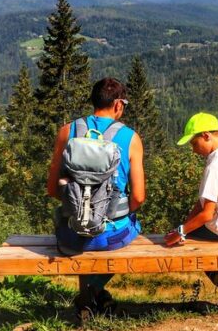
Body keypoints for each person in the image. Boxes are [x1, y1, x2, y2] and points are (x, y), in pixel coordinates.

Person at [46, 77, 145, 318]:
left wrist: (79, 207)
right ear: (118, 105)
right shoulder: (130, 138)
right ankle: (93, 292)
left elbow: (51, 189)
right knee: (133, 224)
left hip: (70, 237)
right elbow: (139, 198)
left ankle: (92, 297)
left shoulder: (67, 131)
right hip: (110, 237)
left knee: (67, 219)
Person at [164, 112, 218, 310]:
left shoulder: (215, 167)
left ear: (206, 136)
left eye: (194, 143)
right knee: (185, 234)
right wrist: (184, 226)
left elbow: (207, 214)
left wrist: (180, 232)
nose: (193, 150)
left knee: (184, 246)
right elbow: (201, 204)